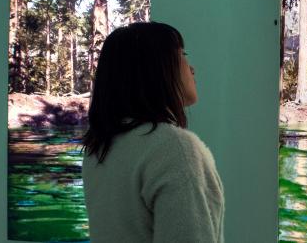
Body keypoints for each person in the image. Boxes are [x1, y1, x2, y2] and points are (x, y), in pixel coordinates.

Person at [81, 22, 224, 243]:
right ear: (157, 68)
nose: (191, 68)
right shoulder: (174, 148)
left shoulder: (98, 149)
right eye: (182, 55)